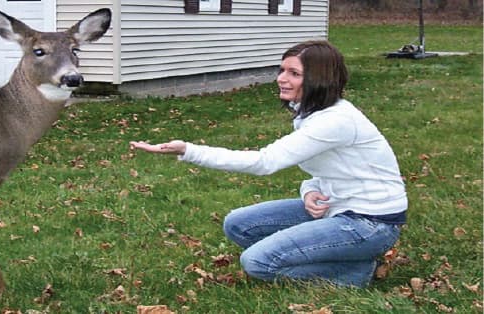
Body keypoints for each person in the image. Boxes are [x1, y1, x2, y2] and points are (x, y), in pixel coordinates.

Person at [129, 40, 407, 288]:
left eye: (294, 74)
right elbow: (325, 167)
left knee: (257, 263)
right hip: (336, 208)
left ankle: (354, 272)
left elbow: (265, 162)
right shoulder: (311, 115)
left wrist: (189, 150)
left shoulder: (335, 121)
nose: (281, 79)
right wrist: (308, 191)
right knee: (238, 225)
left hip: (369, 224)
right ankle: (343, 259)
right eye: (282, 70)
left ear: (319, 79)